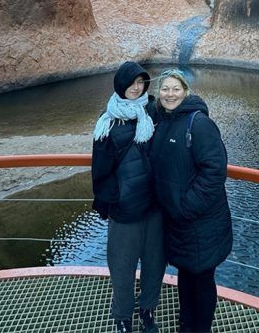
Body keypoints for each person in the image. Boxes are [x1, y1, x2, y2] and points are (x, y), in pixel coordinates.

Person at [150, 70, 232, 333]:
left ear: (185, 91)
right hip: (178, 221)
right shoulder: (162, 121)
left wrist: (187, 206)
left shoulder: (198, 124)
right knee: (186, 276)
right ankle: (186, 324)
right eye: (165, 89)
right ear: (158, 93)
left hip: (200, 221)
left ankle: (201, 328)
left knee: (202, 279)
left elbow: (215, 170)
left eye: (175, 89)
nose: (170, 94)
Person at [91, 61, 166, 333]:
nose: (136, 87)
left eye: (141, 82)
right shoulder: (108, 120)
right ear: (120, 85)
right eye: (131, 82)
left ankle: (147, 310)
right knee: (122, 268)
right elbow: (100, 169)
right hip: (125, 211)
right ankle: (123, 317)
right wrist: (115, 200)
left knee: (155, 265)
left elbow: (182, 114)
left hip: (155, 207)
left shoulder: (155, 112)